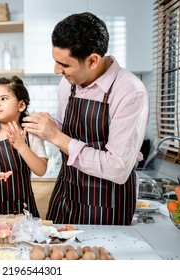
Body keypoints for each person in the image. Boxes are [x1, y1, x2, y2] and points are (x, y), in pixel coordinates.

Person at [22, 12, 149, 225]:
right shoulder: (67, 83)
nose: (56, 70)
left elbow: (117, 167)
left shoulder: (130, 92)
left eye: (64, 64)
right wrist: (45, 125)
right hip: (65, 197)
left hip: (107, 206)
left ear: (92, 60)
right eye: (55, 61)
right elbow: (67, 126)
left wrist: (55, 136)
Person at [0, 76, 48, 217]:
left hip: (23, 207)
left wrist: (21, 146)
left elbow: (41, 170)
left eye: (3, 99)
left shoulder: (30, 134)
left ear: (21, 105)